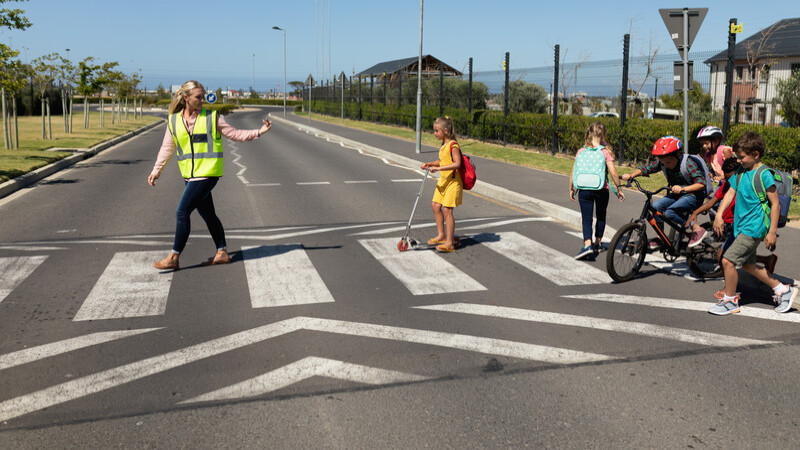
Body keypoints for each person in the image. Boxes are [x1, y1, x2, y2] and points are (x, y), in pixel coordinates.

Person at [147, 80, 272, 270]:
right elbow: (167, 147)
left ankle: (174, 256)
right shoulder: (173, 120)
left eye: (203, 95)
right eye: (198, 97)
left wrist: (259, 131)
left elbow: (235, 134)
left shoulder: (211, 117)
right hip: (189, 175)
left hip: (207, 173)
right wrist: (156, 170)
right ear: (186, 98)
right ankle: (221, 252)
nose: (202, 99)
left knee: (182, 212)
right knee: (208, 214)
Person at [709, 132, 797, 315]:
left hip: (754, 227)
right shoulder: (741, 172)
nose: (738, 161)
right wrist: (719, 215)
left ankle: (730, 301)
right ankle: (783, 290)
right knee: (748, 265)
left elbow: (775, 205)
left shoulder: (763, 174)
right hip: (742, 226)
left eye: (742, 157)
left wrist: (772, 232)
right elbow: (730, 193)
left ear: (755, 154)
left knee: (727, 259)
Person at [685, 157, 778, 299]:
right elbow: (713, 201)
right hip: (733, 227)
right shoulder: (727, 185)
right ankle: (769, 265)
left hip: (745, 227)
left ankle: (729, 292)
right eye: (726, 179)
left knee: (725, 257)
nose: (727, 182)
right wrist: (697, 212)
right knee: (744, 259)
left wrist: (771, 231)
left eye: (730, 178)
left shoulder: (746, 183)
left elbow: (772, 204)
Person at [621, 136, 708, 249]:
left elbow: (701, 183)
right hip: (678, 194)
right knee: (656, 207)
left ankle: (696, 229)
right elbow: (646, 168)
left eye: (668, 162)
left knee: (669, 212)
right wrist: (631, 175)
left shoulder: (687, 163)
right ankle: (661, 237)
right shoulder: (662, 162)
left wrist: (683, 189)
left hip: (693, 195)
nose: (665, 165)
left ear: (678, 155)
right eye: (663, 162)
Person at [568, 122, 625, 260]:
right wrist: (619, 188)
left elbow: (573, 172)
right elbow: (613, 172)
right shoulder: (605, 152)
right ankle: (598, 244)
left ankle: (588, 245)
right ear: (603, 135)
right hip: (601, 189)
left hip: (583, 189)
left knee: (586, 219)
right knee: (600, 216)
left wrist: (571, 188)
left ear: (589, 134)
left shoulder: (581, 151)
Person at [421, 116, 463, 253]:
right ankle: (441, 235)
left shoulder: (453, 145)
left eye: (436, 131)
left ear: (445, 131)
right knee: (435, 205)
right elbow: (442, 160)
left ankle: (449, 243)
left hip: (453, 182)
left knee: (447, 211)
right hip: (443, 181)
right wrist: (430, 164)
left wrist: (438, 169)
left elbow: (457, 163)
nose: (434, 133)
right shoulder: (443, 145)